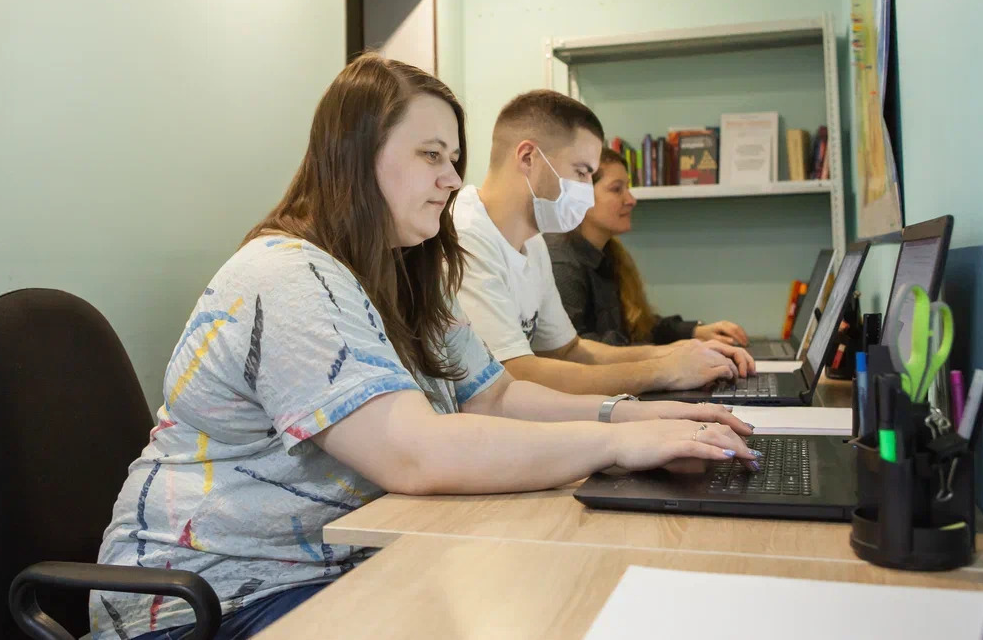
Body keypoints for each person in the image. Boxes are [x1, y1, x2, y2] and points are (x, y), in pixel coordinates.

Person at [91, 56, 758, 640]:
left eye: (453, 159)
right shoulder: (285, 275)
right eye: (431, 155)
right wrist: (616, 445)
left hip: (332, 567)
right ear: (355, 156)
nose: (452, 179)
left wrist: (638, 416)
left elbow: (495, 395)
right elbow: (415, 452)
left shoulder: (406, 273)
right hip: (211, 601)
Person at [452, 90, 755, 397]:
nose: (587, 191)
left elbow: (568, 350)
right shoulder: (466, 237)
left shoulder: (533, 243)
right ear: (528, 157)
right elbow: (514, 374)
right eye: (581, 172)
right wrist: (663, 371)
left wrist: (676, 352)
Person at [546, 147, 749, 348]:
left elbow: (637, 326)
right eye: (617, 189)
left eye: (628, 188)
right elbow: (576, 352)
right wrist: (670, 354)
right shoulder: (562, 263)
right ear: (580, 196)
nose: (631, 200)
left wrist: (695, 332)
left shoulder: (608, 254)